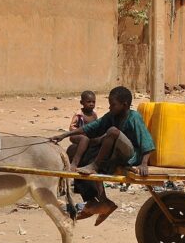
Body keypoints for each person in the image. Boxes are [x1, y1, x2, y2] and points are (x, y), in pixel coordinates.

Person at [51, 86, 155, 225]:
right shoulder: (112, 116)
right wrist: (64, 135)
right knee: (75, 150)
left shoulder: (134, 117)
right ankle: (95, 201)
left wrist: (144, 163)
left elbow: (147, 141)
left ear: (124, 105)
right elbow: (90, 127)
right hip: (113, 154)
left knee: (112, 131)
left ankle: (95, 166)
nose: (110, 107)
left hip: (129, 155)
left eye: (113, 104)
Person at [67, 91, 98, 168]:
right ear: (82, 102)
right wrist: (81, 133)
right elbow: (72, 127)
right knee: (84, 139)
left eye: (93, 102)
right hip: (77, 136)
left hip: (89, 136)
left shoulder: (94, 114)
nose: (91, 104)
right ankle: (75, 162)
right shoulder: (79, 114)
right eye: (88, 102)